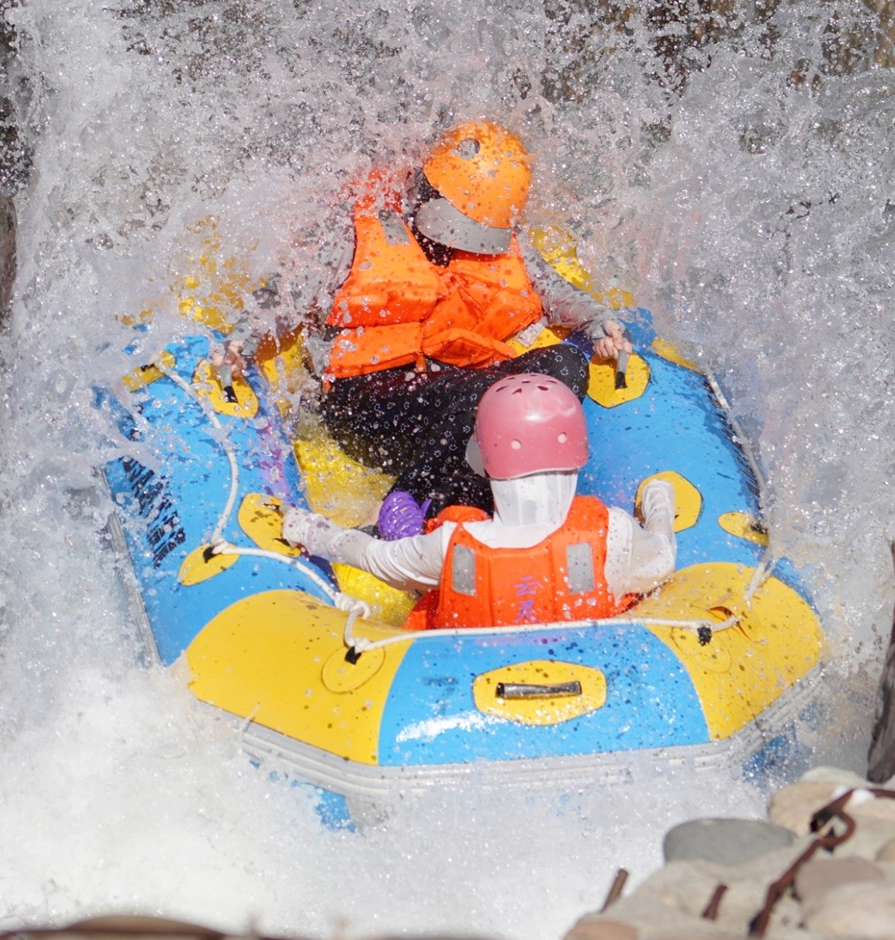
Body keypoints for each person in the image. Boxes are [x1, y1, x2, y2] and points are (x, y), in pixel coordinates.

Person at [284, 118, 632, 527]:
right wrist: (243, 340)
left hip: (454, 391)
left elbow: (556, 292)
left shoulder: (505, 238)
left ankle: (466, 501)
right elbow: (287, 293)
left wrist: (602, 324)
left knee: (564, 365)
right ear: (429, 192)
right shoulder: (365, 227)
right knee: (487, 398)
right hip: (369, 391)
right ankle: (398, 510)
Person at [282, 373, 677, 628]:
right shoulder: (613, 533)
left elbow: (370, 556)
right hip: (585, 682)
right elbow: (663, 558)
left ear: (483, 456)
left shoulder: (450, 546)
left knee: (408, 529)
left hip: (463, 680)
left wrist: (311, 530)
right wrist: (658, 502)